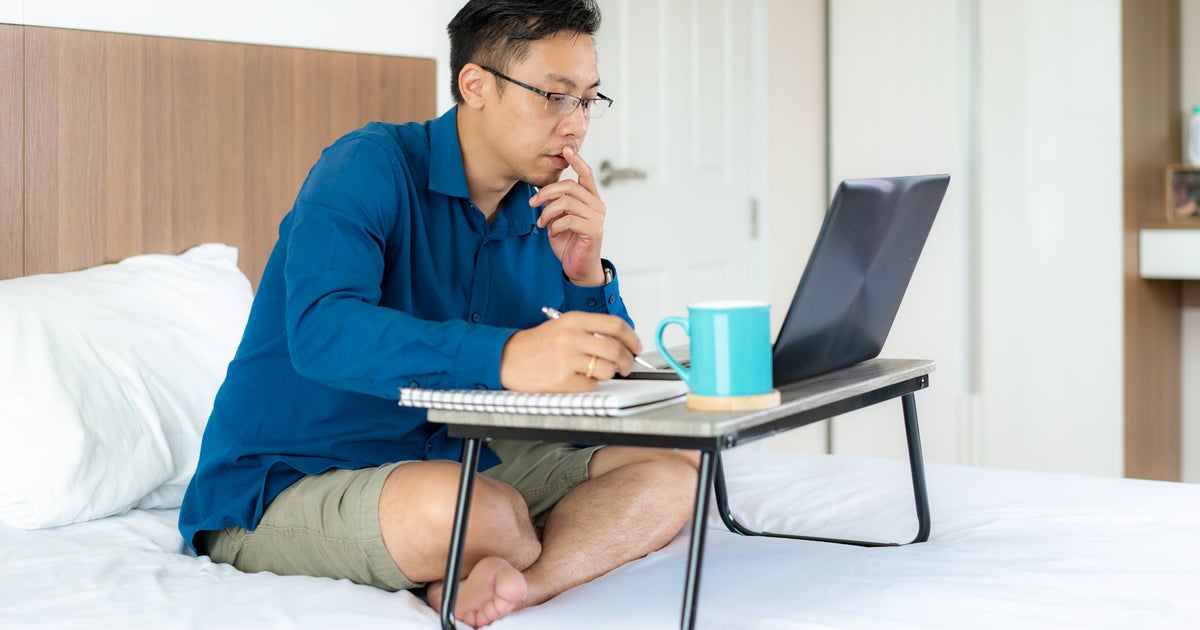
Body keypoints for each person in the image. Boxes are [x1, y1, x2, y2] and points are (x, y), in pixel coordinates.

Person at [178, 0, 699, 627]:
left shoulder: (540, 211)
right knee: (478, 511)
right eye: (556, 97)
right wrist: (506, 357)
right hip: (288, 478)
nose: (577, 125)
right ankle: (506, 541)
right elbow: (321, 330)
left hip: (458, 459)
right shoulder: (367, 165)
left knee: (674, 472)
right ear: (475, 85)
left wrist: (587, 276)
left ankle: (524, 585)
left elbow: (592, 392)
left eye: (588, 100)